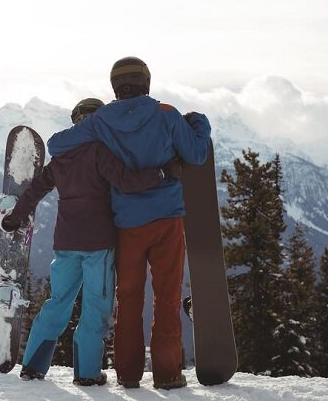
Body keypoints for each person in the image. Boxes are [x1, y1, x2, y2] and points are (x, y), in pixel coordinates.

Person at [47, 57, 211, 390]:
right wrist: (200, 123)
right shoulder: (166, 113)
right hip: (166, 219)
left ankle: (127, 373)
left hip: (126, 224)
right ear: (145, 82)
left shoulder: (102, 119)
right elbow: (196, 154)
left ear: (114, 85)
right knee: (167, 296)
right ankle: (167, 374)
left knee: (129, 298)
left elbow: (55, 144)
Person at [1, 97, 182, 387]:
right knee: (95, 309)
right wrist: (162, 174)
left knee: (58, 302)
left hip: (65, 244)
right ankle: (86, 373)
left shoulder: (61, 159)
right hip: (98, 245)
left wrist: (14, 218)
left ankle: (33, 365)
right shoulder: (100, 152)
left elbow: (36, 190)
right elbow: (126, 182)